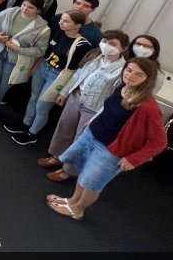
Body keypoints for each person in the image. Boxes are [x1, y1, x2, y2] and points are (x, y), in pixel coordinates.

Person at [47, 57, 166, 221]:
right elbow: (108, 109)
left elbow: (159, 142)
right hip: (92, 135)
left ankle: (77, 209)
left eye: (139, 74)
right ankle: (72, 201)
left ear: (148, 80)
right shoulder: (123, 87)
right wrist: (94, 120)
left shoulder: (148, 107)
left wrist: (133, 159)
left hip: (110, 149)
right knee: (84, 173)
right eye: (129, 70)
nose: (130, 75)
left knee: (92, 183)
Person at [38, 30, 130, 182]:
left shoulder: (122, 70)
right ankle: (57, 156)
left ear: (123, 48)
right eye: (105, 41)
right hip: (76, 96)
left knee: (80, 139)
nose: (107, 46)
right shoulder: (95, 57)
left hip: (94, 107)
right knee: (64, 128)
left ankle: (68, 170)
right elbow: (78, 75)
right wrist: (65, 92)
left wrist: (98, 116)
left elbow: (114, 98)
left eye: (113, 44)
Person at [6, 10, 93, 145]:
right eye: (61, 19)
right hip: (44, 67)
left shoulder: (82, 46)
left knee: (42, 106)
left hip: (58, 75)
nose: (60, 23)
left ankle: (32, 133)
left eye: (66, 21)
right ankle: (25, 124)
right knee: (33, 97)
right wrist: (35, 66)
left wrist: (65, 91)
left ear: (77, 25)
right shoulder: (58, 33)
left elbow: (79, 71)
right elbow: (47, 52)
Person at [0, 0, 51, 120]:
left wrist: (18, 49)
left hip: (15, 60)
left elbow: (40, 51)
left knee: (2, 86)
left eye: (30, 7)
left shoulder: (43, 28)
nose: (24, 9)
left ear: (39, 10)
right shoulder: (10, 12)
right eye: (24, 5)